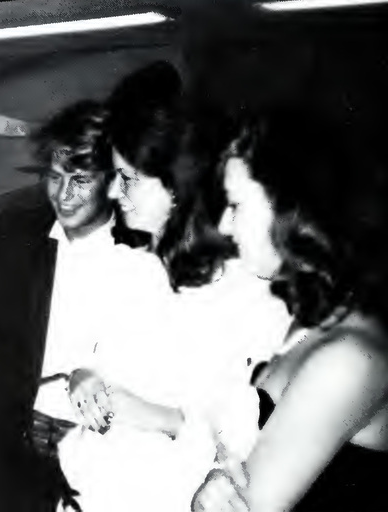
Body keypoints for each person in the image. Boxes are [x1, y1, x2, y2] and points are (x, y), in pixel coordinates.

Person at [54, 62, 291, 512]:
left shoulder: (248, 297)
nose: (113, 193)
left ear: (178, 187)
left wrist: (160, 419)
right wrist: (82, 378)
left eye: (129, 180)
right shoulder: (128, 269)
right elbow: (85, 357)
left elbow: (245, 436)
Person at [0, 100, 164, 512]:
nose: (64, 194)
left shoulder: (144, 251)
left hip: (100, 456)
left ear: (114, 180)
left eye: (80, 179)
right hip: (9, 447)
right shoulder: (16, 233)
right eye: (55, 177)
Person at [191, 108, 388, 512]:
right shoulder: (310, 319)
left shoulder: (347, 359)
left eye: (237, 205)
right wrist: (216, 478)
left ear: (291, 212)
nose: (226, 226)